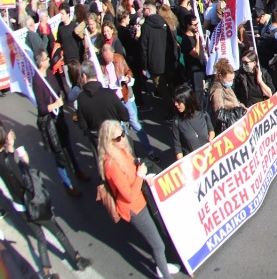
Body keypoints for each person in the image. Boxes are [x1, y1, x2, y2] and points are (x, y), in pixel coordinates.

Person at [0, 120, 93, 279]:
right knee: (57, 231)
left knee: (40, 237)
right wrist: (24, 161)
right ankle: (76, 259)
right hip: (31, 202)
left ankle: (46, 272)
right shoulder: (8, 159)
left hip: (19, 206)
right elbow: (25, 182)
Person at [98, 120, 181, 278]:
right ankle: (164, 273)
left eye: (123, 134)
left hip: (142, 201)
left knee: (156, 239)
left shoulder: (121, 151)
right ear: (108, 141)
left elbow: (135, 171)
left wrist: (144, 176)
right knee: (158, 245)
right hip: (135, 209)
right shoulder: (111, 165)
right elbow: (128, 195)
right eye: (117, 138)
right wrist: (140, 175)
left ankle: (163, 265)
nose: (123, 139)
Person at [31, 50, 89, 196]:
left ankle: (77, 171)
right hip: (50, 123)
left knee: (68, 146)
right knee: (59, 155)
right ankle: (67, 184)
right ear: (40, 62)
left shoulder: (49, 74)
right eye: (45, 58)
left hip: (59, 118)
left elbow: (57, 90)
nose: (48, 60)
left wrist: (60, 97)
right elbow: (42, 108)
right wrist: (54, 106)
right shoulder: (37, 81)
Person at [100, 43, 160, 163]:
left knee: (136, 125)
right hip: (113, 102)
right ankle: (130, 155)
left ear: (113, 53)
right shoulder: (100, 65)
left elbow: (129, 72)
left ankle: (150, 151)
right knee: (121, 131)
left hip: (125, 98)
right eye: (105, 57)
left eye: (109, 57)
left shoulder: (119, 59)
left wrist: (127, 78)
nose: (107, 59)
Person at [139, 0, 178, 98]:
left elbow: (144, 47)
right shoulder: (164, 22)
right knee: (171, 86)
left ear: (149, 10)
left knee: (162, 89)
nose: (142, 11)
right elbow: (171, 41)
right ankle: (176, 106)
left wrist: (144, 66)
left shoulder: (146, 26)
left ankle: (170, 110)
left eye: (144, 9)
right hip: (167, 61)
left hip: (155, 64)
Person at [209, 58, 245, 132]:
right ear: (220, 77)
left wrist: (242, 107)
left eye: (232, 80)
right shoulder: (217, 90)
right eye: (229, 80)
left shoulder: (226, 86)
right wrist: (237, 112)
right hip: (227, 127)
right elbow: (219, 113)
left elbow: (234, 101)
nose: (231, 82)